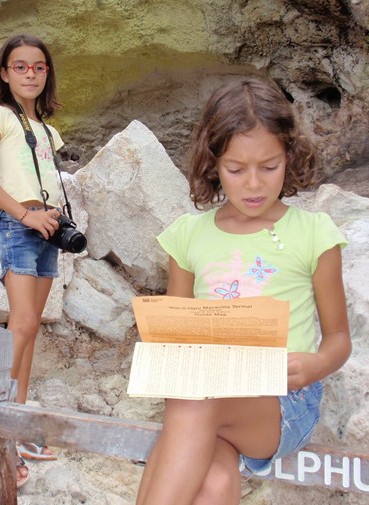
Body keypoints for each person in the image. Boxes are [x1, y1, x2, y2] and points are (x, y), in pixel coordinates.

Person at [136, 77, 352, 505]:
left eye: (269, 167)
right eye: (236, 170)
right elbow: (175, 337)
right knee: (214, 481)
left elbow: (339, 339)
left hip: (285, 402)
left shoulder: (314, 234)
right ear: (213, 163)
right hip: (211, 400)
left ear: (289, 156)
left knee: (194, 402)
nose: (254, 184)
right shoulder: (187, 236)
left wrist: (315, 365)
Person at [0, 34, 64, 488]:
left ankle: (20, 426)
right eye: (20, 66)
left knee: (31, 327)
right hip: (19, 225)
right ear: (5, 73)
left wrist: (50, 217)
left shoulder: (46, 130)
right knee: (22, 324)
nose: (30, 74)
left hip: (48, 227)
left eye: (39, 66)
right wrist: (25, 214)